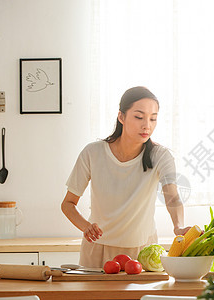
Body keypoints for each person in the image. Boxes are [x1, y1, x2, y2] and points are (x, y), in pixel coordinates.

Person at [61, 86, 191, 268]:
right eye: (139, 117)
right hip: (97, 250)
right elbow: (67, 204)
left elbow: (172, 195)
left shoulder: (161, 156)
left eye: (153, 118)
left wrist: (178, 226)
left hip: (142, 251)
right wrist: (86, 226)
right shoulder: (92, 153)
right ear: (121, 116)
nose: (147, 125)